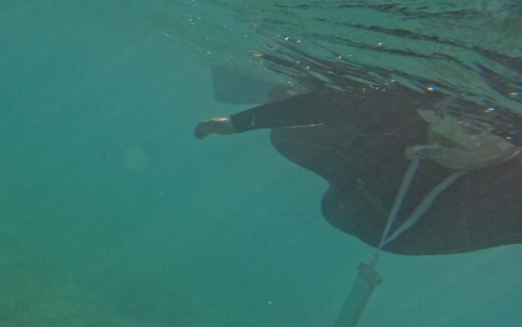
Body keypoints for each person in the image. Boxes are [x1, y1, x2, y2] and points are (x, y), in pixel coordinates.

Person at [195, 89, 522, 255]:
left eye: (478, 131)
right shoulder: (404, 113)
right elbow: (330, 103)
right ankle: (280, 89)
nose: (461, 130)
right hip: (362, 187)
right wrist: (237, 123)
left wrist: (238, 124)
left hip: (391, 226)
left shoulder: (507, 197)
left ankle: (280, 91)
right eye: (452, 120)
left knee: (288, 136)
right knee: (285, 133)